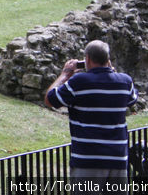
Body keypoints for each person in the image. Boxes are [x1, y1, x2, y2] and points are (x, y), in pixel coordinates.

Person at [44, 40, 138, 190]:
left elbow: (50, 99)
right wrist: (111, 71)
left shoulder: (79, 82)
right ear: (108, 59)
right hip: (118, 159)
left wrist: (65, 74)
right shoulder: (125, 82)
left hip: (88, 160)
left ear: (87, 59)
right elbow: (132, 99)